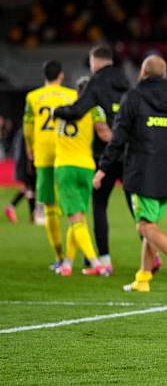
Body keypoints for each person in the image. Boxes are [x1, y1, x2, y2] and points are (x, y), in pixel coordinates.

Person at [93, 56, 167, 294]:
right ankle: (143, 278)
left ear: (143, 73)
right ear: (164, 75)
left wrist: (103, 168)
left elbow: (118, 137)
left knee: (145, 227)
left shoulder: (134, 97)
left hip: (140, 171)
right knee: (152, 225)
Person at [53, 45, 131, 274]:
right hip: (107, 160)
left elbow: (78, 117)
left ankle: (98, 261)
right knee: (137, 208)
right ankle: (152, 255)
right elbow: (111, 128)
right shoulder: (122, 86)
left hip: (80, 162)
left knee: (84, 213)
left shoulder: (78, 109)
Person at [53, 77, 113, 277]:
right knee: (78, 218)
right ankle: (68, 264)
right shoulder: (95, 110)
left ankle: (96, 263)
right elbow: (104, 134)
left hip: (65, 167)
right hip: (86, 167)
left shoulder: (62, 110)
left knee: (75, 218)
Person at [23, 61, 77, 269]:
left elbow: (27, 126)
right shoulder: (72, 95)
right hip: (68, 152)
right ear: (61, 76)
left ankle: (59, 256)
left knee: (50, 208)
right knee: (75, 206)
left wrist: (30, 149)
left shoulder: (33, 97)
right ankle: (82, 254)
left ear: (44, 75)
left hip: (44, 155)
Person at [5, 128, 37, 224]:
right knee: (30, 189)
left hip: (24, 163)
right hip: (27, 164)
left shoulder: (23, 131)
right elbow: (27, 150)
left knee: (28, 188)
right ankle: (32, 216)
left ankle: (11, 207)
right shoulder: (28, 132)